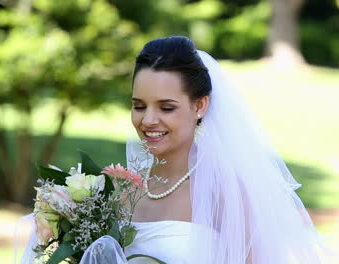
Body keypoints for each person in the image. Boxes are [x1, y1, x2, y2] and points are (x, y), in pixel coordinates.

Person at [121, 36, 324, 263]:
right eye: (139, 106)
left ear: (199, 106)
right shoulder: (123, 190)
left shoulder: (225, 194)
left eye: (166, 108)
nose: (148, 120)